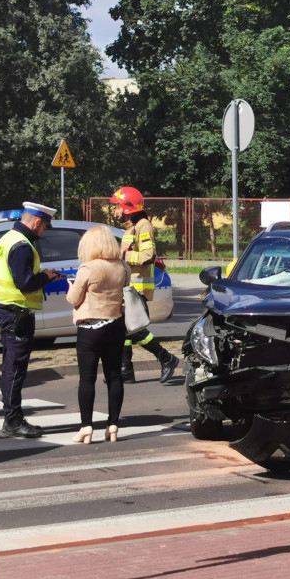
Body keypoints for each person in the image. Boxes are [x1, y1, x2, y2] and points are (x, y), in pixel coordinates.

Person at [0, 201, 64, 438]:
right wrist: (44, 277)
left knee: (11, 366)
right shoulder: (22, 246)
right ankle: (13, 421)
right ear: (35, 222)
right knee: (15, 369)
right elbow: (25, 283)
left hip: (9, 311)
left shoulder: (8, 239)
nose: (44, 231)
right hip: (17, 313)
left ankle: (12, 418)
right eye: (44, 226)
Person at [66, 225, 130, 444]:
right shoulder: (123, 266)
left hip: (90, 328)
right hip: (116, 325)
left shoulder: (88, 268)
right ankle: (113, 424)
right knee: (114, 376)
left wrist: (71, 286)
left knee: (87, 378)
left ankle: (86, 427)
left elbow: (74, 299)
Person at [111, 186, 179, 384]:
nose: (115, 211)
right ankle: (126, 371)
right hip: (128, 286)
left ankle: (167, 358)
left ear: (127, 208)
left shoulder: (143, 226)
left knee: (134, 328)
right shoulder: (130, 228)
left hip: (138, 287)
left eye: (117, 207)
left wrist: (121, 255)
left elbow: (148, 256)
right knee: (125, 329)